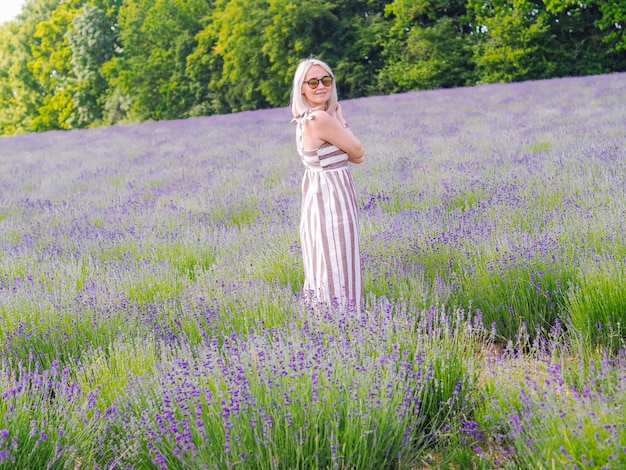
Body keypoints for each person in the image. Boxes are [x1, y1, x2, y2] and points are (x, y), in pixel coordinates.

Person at [290, 57, 365, 311]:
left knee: (324, 268)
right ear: (301, 88)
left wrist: (337, 120)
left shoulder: (305, 119)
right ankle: (343, 329)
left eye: (326, 80)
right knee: (339, 268)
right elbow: (358, 152)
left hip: (319, 202)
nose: (321, 86)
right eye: (312, 82)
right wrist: (340, 121)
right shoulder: (319, 120)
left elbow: (357, 156)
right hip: (333, 204)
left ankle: (327, 330)